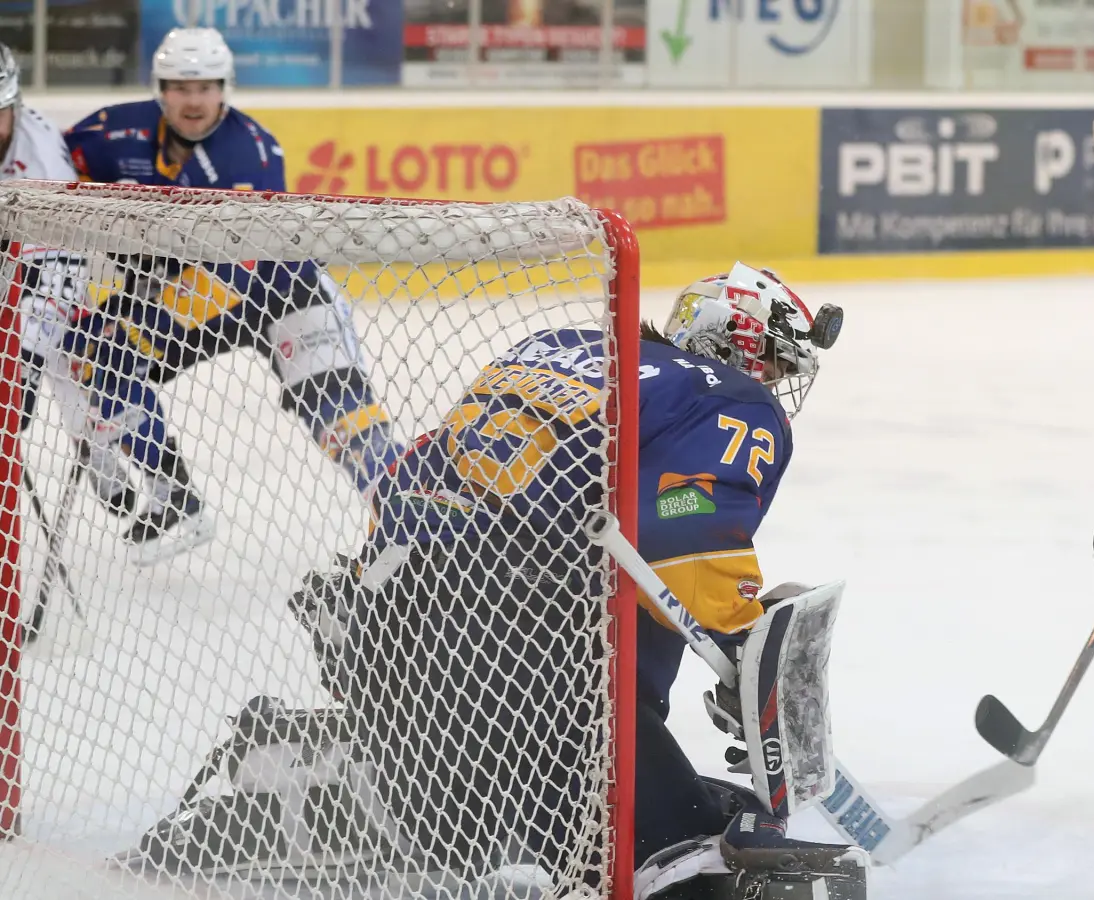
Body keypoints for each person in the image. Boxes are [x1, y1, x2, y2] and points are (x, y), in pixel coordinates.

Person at [128, 264, 866, 900]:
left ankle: (311, 779)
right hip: (522, 665)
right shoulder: (729, 396)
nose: (773, 382)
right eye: (769, 360)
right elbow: (681, 524)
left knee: (470, 828)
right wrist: (739, 638)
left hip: (381, 631)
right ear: (733, 343)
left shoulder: (559, 347)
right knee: (687, 853)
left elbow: (417, 470)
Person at [58, 27, 402, 564]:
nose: (193, 100)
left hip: (282, 292)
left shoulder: (251, 157)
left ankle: (413, 520)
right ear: (160, 87)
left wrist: (139, 321)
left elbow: (234, 273)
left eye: (206, 86)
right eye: (178, 86)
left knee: (342, 416)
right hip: (178, 285)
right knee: (88, 350)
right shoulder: (110, 133)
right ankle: (174, 498)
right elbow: (48, 166)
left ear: (226, 87)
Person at [0, 43, 139, 517]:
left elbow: (62, 266)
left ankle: (103, 461)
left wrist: (25, 365)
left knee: (64, 356)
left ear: (14, 107)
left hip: (49, 264)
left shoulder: (41, 159)